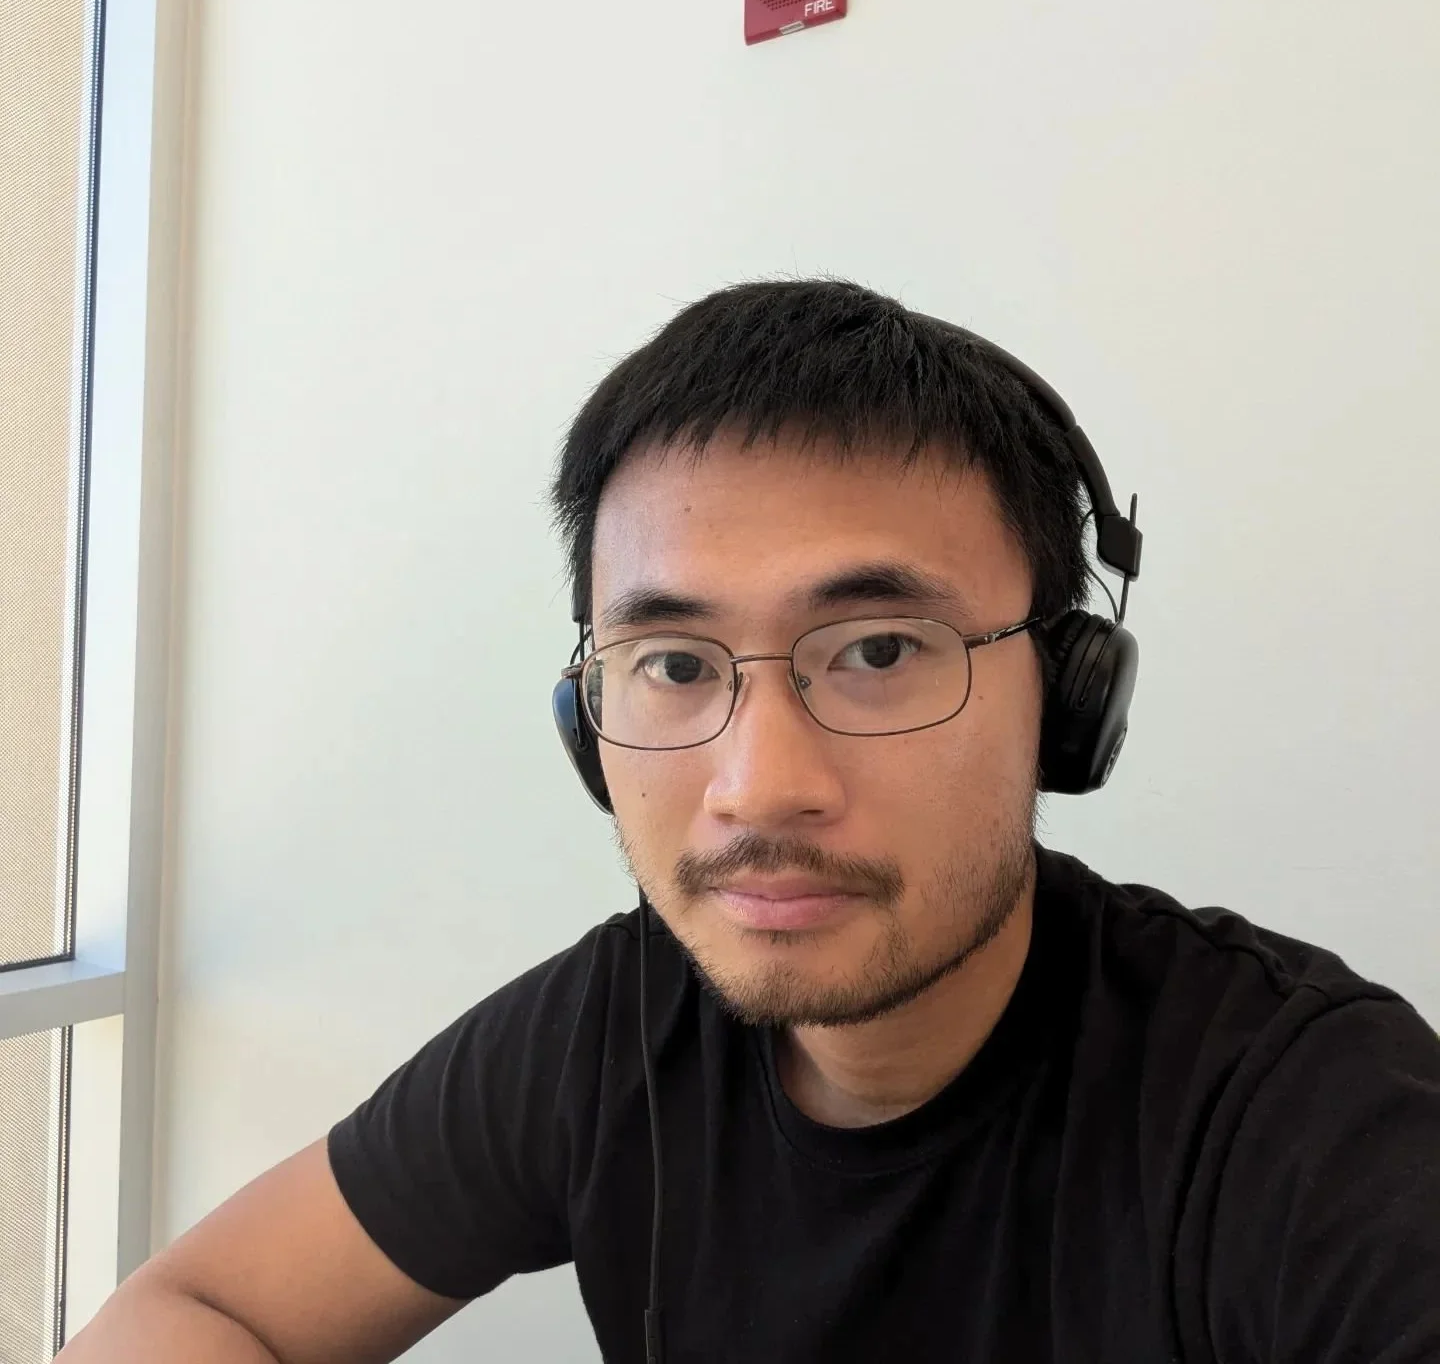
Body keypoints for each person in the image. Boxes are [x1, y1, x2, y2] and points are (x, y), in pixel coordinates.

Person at [62, 280, 1440, 1364]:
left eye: (881, 650)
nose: (760, 785)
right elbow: (207, 1307)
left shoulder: (1299, 1118)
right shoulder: (608, 1033)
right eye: (673, 666)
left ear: (1068, 701)